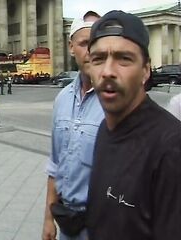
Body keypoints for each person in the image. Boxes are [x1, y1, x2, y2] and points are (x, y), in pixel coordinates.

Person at [87, 10, 181, 240]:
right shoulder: (103, 131)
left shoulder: (171, 148)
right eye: (98, 59)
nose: (108, 71)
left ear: (146, 71)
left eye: (124, 58)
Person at [42, 11, 103, 240]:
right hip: (67, 221)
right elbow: (55, 166)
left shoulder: (115, 99)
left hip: (101, 224)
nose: (91, 51)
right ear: (71, 47)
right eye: (84, 43)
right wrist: (48, 218)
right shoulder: (63, 99)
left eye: (96, 43)